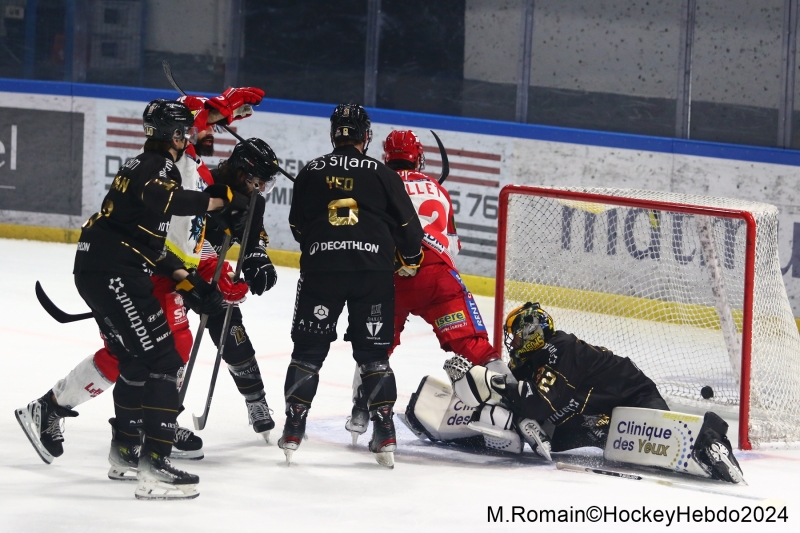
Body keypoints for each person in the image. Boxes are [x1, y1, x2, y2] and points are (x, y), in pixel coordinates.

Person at [14, 87, 268, 469]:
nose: (208, 133)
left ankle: (60, 409)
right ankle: (151, 431)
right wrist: (220, 109)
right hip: (141, 269)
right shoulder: (176, 163)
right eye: (203, 128)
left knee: (131, 354)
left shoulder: (190, 167)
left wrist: (204, 271)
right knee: (163, 351)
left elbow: (184, 236)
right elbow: (183, 125)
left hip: (152, 267)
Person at [72, 98, 247, 499]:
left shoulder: (139, 164)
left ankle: (124, 455)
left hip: (102, 267)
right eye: (184, 130)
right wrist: (220, 201)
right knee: (164, 361)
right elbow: (166, 201)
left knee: (135, 361)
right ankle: (154, 467)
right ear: (173, 134)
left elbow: (147, 241)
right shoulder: (159, 168)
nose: (189, 136)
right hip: (115, 273)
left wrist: (190, 283)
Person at [435, 301, 745, 483]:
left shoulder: (561, 351)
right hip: (592, 413)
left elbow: (538, 405)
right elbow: (525, 399)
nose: (512, 345)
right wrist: (475, 392)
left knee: (658, 442)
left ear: (531, 335)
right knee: (532, 428)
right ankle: (602, 431)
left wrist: (486, 382)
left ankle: (711, 444)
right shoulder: (534, 361)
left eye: (515, 338)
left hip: (634, 398)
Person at [280, 104, 424, 467]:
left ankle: (294, 427)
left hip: (322, 271)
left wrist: (326, 246)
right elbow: (411, 230)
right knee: (374, 356)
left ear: (334, 134)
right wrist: (408, 256)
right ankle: (385, 432)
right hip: (372, 274)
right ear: (365, 136)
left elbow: (298, 226)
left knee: (307, 353)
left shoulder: (311, 170)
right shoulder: (382, 173)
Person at [346, 130, 512, 444]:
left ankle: (360, 410)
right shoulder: (437, 189)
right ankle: (514, 402)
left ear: (386, 156)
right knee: (475, 346)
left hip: (387, 279)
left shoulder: (374, 183)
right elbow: (453, 246)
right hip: (435, 277)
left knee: (374, 348)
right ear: (419, 157)